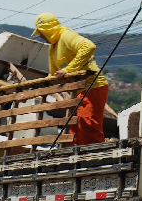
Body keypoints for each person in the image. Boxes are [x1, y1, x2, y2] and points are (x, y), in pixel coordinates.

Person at [31, 12, 109, 145]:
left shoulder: (66, 36)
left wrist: (67, 70)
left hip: (94, 86)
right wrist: (41, 84)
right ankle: (73, 154)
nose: (42, 36)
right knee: (75, 125)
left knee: (88, 123)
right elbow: (54, 73)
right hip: (78, 90)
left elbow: (89, 47)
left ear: (49, 30)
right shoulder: (53, 48)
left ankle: (95, 154)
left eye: (42, 32)